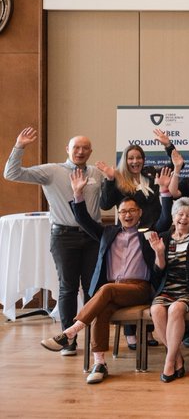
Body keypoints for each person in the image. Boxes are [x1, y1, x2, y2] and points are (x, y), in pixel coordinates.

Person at [40, 170, 160, 385]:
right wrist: (78, 194)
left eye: (132, 211)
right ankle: (99, 363)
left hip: (139, 289)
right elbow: (83, 220)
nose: (127, 215)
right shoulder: (108, 233)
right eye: (123, 211)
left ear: (140, 213)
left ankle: (71, 331)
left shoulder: (148, 234)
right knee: (101, 309)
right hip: (114, 289)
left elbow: (167, 217)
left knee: (104, 290)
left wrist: (167, 192)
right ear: (118, 213)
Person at [6, 128, 104, 356]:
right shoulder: (51, 171)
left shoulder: (96, 173)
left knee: (94, 289)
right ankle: (67, 340)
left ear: (91, 151)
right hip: (64, 237)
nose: (80, 151)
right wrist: (19, 146)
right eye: (76, 147)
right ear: (67, 150)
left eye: (85, 148)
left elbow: (107, 202)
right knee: (68, 288)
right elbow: (12, 174)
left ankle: (95, 341)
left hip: (93, 238)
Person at [148, 190, 189, 382]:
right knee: (156, 309)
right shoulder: (164, 237)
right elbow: (157, 273)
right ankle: (176, 357)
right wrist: (159, 253)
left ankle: (169, 362)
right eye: (180, 214)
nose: (184, 218)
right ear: (173, 217)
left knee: (176, 308)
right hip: (168, 288)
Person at [97, 144, 161, 226]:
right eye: (131, 158)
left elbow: (172, 167)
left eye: (139, 158)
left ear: (143, 160)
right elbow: (105, 206)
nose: (135, 161)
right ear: (125, 161)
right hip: (130, 233)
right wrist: (110, 179)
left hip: (154, 232)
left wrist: (168, 146)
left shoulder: (150, 173)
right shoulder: (117, 179)